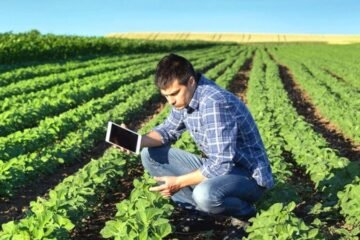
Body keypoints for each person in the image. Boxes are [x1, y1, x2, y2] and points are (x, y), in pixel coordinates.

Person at [139, 53, 274, 220]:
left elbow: (220, 164)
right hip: (223, 169)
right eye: (166, 96)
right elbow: (167, 130)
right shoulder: (186, 98)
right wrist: (135, 140)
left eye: (174, 93)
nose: (171, 101)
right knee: (149, 154)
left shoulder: (213, 103)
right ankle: (200, 212)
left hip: (248, 177)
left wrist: (179, 182)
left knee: (204, 194)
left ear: (190, 81)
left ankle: (245, 216)